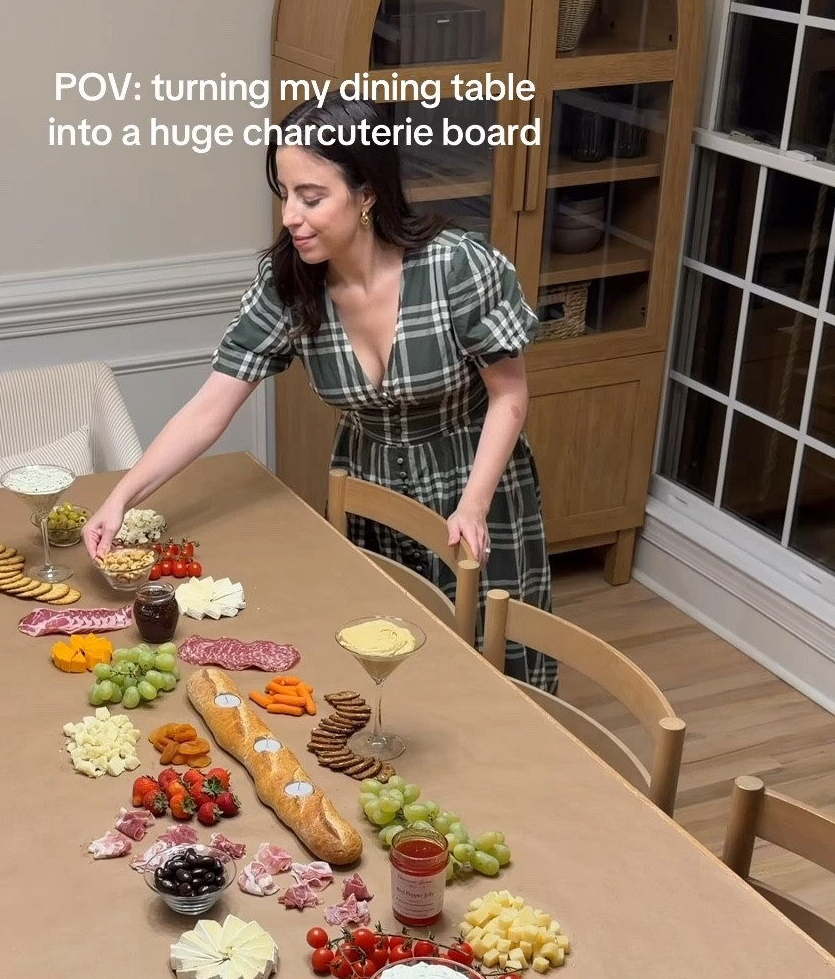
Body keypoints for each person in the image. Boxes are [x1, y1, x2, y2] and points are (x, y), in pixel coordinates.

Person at [85, 93, 555, 687]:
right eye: (284, 195)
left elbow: (509, 396)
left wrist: (475, 504)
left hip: (476, 478)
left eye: (311, 198)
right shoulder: (288, 283)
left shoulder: (457, 267)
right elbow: (209, 408)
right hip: (367, 487)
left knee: (495, 658)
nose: (290, 216)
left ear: (366, 194)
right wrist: (121, 499)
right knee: (391, 661)